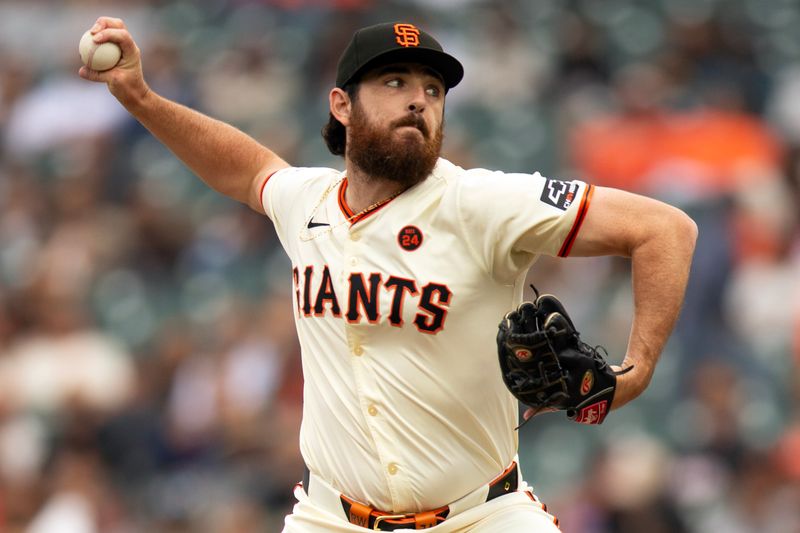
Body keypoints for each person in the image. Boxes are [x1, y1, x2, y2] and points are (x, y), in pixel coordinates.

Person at [80, 18, 697, 532]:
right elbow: (246, 171)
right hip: (331, 519)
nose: (417, 100)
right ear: (341, 105)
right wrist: (141, 98)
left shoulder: (480, 203)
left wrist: (636, 372)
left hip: (480, 518)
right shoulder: (310, 203)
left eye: (433, 89)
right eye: (395, 81)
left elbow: (665, 230)